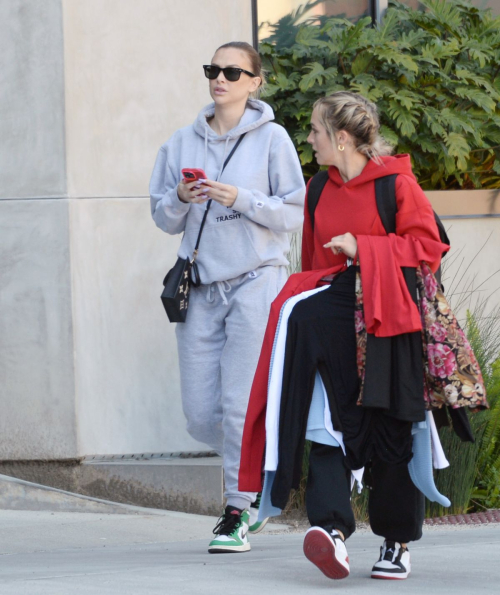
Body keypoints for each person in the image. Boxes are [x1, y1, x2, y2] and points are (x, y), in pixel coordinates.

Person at [238, 91, 454, 580]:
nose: (309, 139)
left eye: (315, 130)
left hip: (390, 328)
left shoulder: (397, 184)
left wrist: (363, 247)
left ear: (340, 137)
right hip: (334, 329)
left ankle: (396, 543)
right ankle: (332, 531)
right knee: (324, 428)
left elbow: (427, 249)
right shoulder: (318, 189)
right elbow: (315, 268)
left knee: (394, 431)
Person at [149, 41, 305, 554]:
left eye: (233, 72)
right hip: (202, 286)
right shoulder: (180, 143)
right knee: (200, 413)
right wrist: (180, 197)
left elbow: (294, 212)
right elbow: (162, 217)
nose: (221, 78)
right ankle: (260, 462)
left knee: (239, 403)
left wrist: (241, 198)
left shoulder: (273, 140)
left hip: (257, 281)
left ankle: (237, 510)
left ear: (255, 82)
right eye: (214, 70)